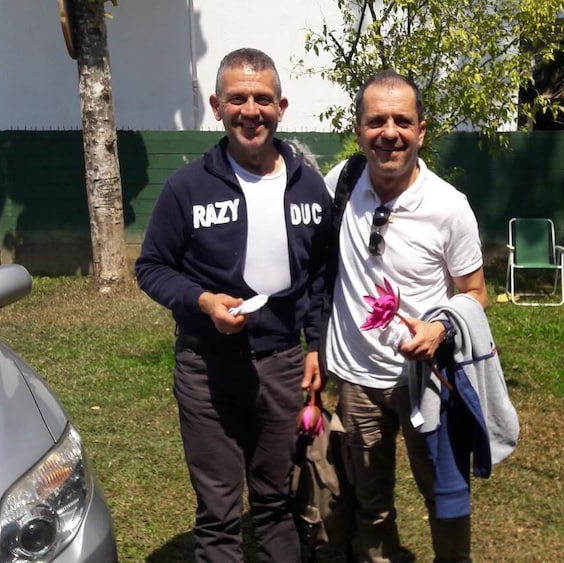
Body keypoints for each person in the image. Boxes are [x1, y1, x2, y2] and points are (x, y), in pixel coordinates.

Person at [135, 48, 331, 562]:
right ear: (216, 106)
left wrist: (316, 345)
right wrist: (202, 301)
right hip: (207, 370)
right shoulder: (187, 187)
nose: (250, 111)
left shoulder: (308, 184)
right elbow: (151, 267)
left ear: (281, 107)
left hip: (283, 365)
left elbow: (319, 275)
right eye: (238, 98)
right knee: (219, 514)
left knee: (276, 501)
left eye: (262, 99)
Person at [322, 69, 489, 563]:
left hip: (426, 380)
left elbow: (476, 293)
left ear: (421, 130)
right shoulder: (340, 183)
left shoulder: (448, 207)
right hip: (356, 379)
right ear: (358, 130)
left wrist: (441, 327)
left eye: (402, 121)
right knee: (370, 502)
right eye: (376, 121)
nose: (389, 132)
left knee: (444, 495)